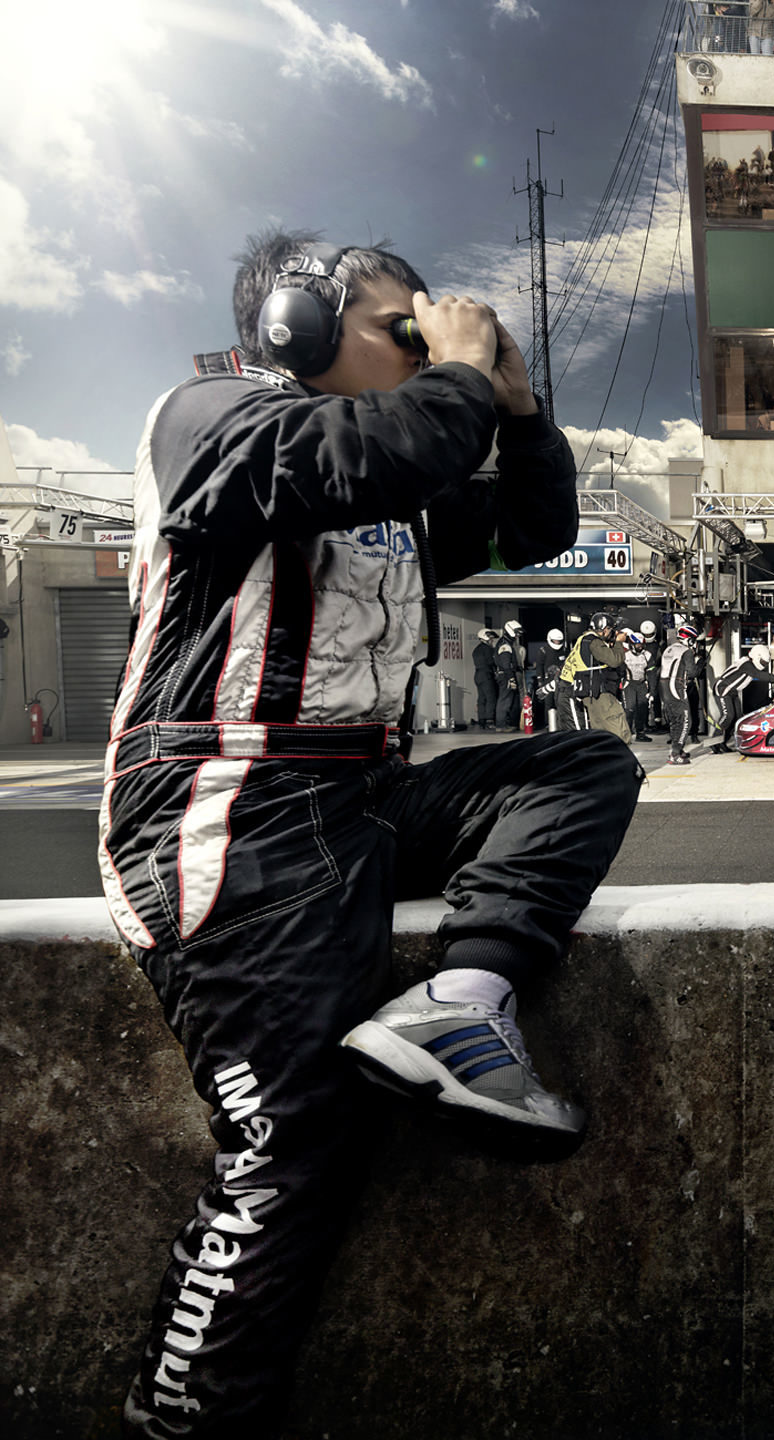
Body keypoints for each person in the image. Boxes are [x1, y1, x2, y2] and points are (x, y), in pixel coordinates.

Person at [100, 231, 641, 1437]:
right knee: (287, 1150)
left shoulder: (397, 487)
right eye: (405, 326)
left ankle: (465, 997)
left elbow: (533, 529)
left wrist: (517, 406)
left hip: (356, 803)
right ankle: (177, 1418)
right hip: (228, 812)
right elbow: (362, 454)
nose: (431, 342)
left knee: (583, 769)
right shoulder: (213, 417)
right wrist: (454, 378)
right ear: (297, 323)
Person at [560, 612, 633, 740]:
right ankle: (618, 754)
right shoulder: (593, 642)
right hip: (599, 693)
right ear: (605, 629)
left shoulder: (583, 639)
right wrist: (618, 642)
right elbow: (614, 660)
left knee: (600, 731)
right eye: (611, 629)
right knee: (616, 725)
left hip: (589, 692)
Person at [709, 642, 774, 753]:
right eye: (763, 662)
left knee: (737, 718)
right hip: (723, 690)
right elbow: (759, 675)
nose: (763, 665)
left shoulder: (749, 664)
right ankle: (714, 742)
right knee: (728, 716)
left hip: (732, 691)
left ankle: (722, 742)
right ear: (757, 656)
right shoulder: (747, 664)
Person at [660, 623, 703, 765]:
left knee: (674, 721)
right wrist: (700, 663)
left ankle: (677, 748)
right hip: (676, 687)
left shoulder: (668, 649)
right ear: (689, 639)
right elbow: (692, 673)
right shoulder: (687, 652)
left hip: (664, 686)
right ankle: (675, 754)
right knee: (685, 721)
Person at [621, 625, 656, 742]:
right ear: (631, 644)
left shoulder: (647, 655)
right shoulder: (625, 656)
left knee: (642, 708)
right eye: (637, 645)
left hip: (642, 684)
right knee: (629, 708)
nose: (640, 647)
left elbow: (651, 674)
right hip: (629, 684)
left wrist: (652, 690)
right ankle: (627, 733)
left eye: (641, 645)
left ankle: (640, 733)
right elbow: (619, 671)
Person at [495, 621, 527, 731]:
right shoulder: (505, 645)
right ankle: (501, 725)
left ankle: (506, 724)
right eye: (517, 633)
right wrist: (511, 678)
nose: (518, 635)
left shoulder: (507, 643)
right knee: (505, 700)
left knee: (510, 700)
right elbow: (505, 664)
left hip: (506, 674)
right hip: (505, 676)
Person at [471, 626, 501, 730]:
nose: (492, 640)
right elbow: (492, 662)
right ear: (485, 638)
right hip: (486, 675)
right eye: (491, 638)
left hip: (477, 675)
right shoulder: (488, 649)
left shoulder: (476, 650)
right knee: (491, 698)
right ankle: (490, 721)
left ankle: (481, 720)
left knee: (481, 698)